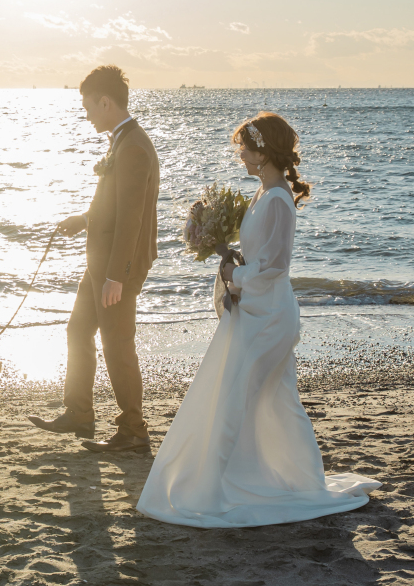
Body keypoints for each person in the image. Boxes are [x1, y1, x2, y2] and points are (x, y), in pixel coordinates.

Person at [136, 111, 380, 527]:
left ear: (262, 151)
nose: (240, 155)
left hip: (270, 317)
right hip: (254, 309)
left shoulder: (279, 200)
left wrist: (236, 274)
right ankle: (296, 481)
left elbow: (276, 266)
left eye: (245, 148)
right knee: (277, 400)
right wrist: (229, 260)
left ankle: (214, 489)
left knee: (236, 397)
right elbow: (260, 255)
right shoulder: (262, 194)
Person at [28, 65, 160, 452]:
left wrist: (117, 276)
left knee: (117, 345)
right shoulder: (121, 141)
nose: (86, 114)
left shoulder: (133, 146)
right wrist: (84, 219)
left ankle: (134, 431)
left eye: (88, 106)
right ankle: (80, 413)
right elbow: (116, 207)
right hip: (99, 264)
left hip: (116, 269)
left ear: (105, 102)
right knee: (77, 330)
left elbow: (133, 218)